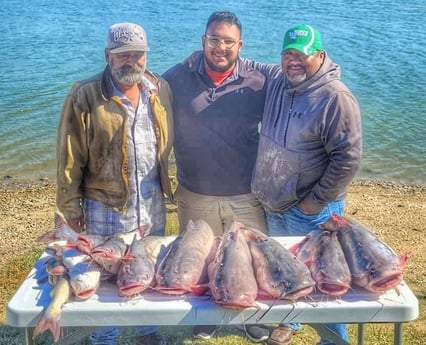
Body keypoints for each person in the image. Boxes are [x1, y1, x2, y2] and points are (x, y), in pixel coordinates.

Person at [162, 11, 279, 343]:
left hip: (246, 191)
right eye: (214, 39)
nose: (221, 47)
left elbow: (297, 76)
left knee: (251, 258)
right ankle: (204, 318)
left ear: (240, 45)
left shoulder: (260, 79)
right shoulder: (176, 77)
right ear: (203, 41)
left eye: (229, 41)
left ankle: (250, 317)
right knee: (201, 258)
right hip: (195, 191)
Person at [55, 22, 174, 345]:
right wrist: (69, 205)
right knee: (104, 275)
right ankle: (104, 337)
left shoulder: (158, 89)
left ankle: (146, 332)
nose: (131, 61)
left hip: (151, 204)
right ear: (108, 55)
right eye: (123, 55)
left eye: (138, 55)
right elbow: (68, 156)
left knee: (144, 272)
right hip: (105, 207)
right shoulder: (86, 94)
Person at [251, 24, 362, 345]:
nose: (294, 61)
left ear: (321, 55)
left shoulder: (336, 98)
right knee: (286, 271)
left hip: (311, 209)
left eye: (303, 54)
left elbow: (348, 160)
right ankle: (293, 323)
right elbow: (245, 64)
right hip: (275, 204)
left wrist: (312, 203)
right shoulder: (277, 79)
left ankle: (334, 340)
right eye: (288, 53)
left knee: (324, 279)